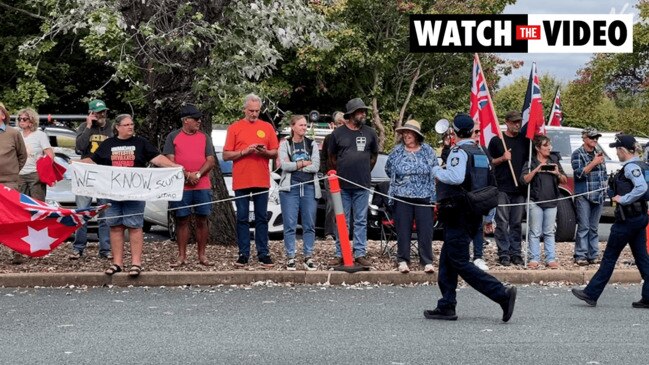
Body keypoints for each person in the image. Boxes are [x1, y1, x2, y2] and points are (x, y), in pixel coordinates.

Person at [425, 113, 516, 322]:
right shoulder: (480, 152)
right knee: (448, 260)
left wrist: (437, 170)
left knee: (459, 262)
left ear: (455, 132)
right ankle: (447, 305)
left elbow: (456, 178)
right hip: (474, 211)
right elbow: (488, 184)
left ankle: (501, 294)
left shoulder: (460, 151)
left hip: (458, 211)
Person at [83, 114, 181, 277]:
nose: (130, 127)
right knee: (115, 227)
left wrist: (176, 167)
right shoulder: (108, 144)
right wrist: (74, 165)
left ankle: (136, 263)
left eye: (132, 124)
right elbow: (93, 161)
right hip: (113, 195)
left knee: (135, 227)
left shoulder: (141, 143)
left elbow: (157, 159)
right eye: (127, 124)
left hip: (135, 194)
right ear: (118, 127)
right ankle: (117, 263)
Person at [572, 134, 649, 309]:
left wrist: (624, 199)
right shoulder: (642, 165)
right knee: (642, 258)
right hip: (639, 217)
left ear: (622, 150)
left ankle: (591, 294)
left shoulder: (631, 168)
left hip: (627, 219)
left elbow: (641, 187)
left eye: (617, 149)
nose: (616, 152)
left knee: (609, 258)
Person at [223, 93, 279, 268]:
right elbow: (225, 155)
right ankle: (243, 253)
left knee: (262, 217)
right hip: (241, 180)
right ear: (244, 110)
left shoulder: (267, 127)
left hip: (261, 179)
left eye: (257, 111)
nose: (254, 114)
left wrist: (264, 152)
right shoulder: (234, 127)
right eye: (251, 111)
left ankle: (263, 253)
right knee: (242, 218)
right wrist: (244, 152)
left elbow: (275, 152)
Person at [327, 98, 379, 268]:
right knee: (342, 220)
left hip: (362, 185)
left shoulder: (371, 132)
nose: (363, 114)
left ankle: (360, 253)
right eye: (360, 111)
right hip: (341, 186)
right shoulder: (337, 134)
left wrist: (363, 171)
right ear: (350, 114)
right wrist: (343, 172)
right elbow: (332, 158)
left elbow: (374, 157)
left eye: (364, 111)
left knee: (361, 220)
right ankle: (340, 253)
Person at [163, 104, 216, 267]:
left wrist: (198, 174)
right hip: (181, 186)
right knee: (182, 219)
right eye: (196, 119)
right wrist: (186, 175)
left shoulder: (204, 137)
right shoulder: (173, 137)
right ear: (186, 120)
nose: (199, 121)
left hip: (202, 184)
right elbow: (169, 160)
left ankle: (202, 255)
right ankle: (181, 255)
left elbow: (211, 160)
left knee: (202, 219)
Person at [384, 119, 436, 274]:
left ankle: (426, 261)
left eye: (410, 132)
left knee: (425, 230)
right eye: (404, 132)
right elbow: (388, 169)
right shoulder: (396, 151)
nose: (406, 135)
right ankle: (403, 260)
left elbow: (435, 170)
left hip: (424, 197)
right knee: (403, 230)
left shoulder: (428, 151)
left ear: (416, 135)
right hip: (401, 196)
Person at [70, 99, 112, 260]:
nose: (102, 115)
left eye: (103, 112)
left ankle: (105, 249)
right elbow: (80, 147)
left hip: (104, 174)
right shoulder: (83, 127)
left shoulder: (110, 127)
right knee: (82, 211)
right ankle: (79, 247)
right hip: (85, 173)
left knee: (105, 213)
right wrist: (88, 127)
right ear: (91, 113)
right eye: (98, 112)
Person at [278, 115, 321, 271]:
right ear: (293, 126)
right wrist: (303, 163)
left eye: (305, 125)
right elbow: (284, 165)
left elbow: (316, 166)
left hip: (309, 186)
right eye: (301, 125)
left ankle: (308, 256)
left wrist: (296, 165)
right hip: (291, 187)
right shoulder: (285, 144)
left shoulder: (312, 144)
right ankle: (290, 256)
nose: (304, 128)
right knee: (289, 224)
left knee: (309, 224)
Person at [487, 110, 529, 267]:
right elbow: (489, 162)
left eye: (518, 121)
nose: (517, 124)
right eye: (513, 122)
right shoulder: (497, 141)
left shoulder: (525, 141)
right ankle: (503, 253)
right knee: (502, 223)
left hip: (519, 188)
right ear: (507, 122)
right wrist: (502, 158)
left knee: (516, 223)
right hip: (502, 187)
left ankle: (516, 253)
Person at [520, 135, 568, 269]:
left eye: (549, 145)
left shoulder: (554, 160)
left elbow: (564, 180)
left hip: (552, 201)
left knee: (549, 232)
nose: (549, 148)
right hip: (535, 201)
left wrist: (557, 173)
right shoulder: (530, 161)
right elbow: (523, 180)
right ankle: (534, 258)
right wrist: (537, 169)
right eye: (546, 145)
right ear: (537, 148)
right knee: (535, 232)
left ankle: (550, 258)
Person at [571, 127, 607, 266]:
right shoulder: (577, 154)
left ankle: (593, 255)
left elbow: (602, 175)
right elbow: (579, 174)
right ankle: (580, 255)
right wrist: (593, 163)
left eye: (596, 138)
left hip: (598, 195)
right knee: (584, 226)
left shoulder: (599, 153)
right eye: (592, 137)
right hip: (584, 195)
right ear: (584, 138)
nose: (595, 140)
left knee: (594, 227)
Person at [0, 102, 28, 265]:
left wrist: (13, 172)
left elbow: (22, 156)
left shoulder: (13, 133)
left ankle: (16, 251)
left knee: (12, 217)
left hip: (9, 183)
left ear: (3, 115)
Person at [17, 108, 54, 202]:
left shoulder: (40, 135)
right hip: (19, 174)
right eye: (19, 118)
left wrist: (43, 172)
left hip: (35, 174)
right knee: (21, 204)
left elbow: (50, 155)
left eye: (25, 119)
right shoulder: (17, 134)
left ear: (31, 121)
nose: (21, 121)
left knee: (38, 204)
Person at [320, 111, 345, 240]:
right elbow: (323, 157)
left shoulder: (348, 138)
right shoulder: (329, 139)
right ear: (334, 125)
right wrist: (326, 172)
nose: (340, 126)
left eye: (343, 123)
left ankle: (343, 232)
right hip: (331, 176)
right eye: (338, 123)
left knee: (345, 205)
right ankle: (329, 232)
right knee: (331, 204)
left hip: (345, 177)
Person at [470, 126, 491, 272]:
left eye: (479, 132)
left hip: (479, 195)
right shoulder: (457, 150)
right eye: (475, 131)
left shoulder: (482, 150)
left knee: (478, 227)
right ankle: (462, 258)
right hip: (463, 196)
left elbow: (488, 171)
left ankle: (478, 257)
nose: (478, 134)